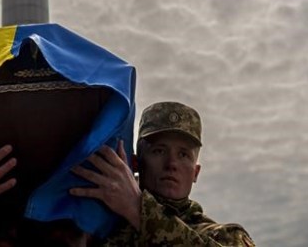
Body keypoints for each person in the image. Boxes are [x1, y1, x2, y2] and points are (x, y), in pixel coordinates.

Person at [70, 102, 255, 246]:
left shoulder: (226, 237)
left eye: (183, 154)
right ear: (135, 163)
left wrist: (138, 209)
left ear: (195, 173)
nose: (171, 164)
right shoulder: (101, 226)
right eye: (159, 151)